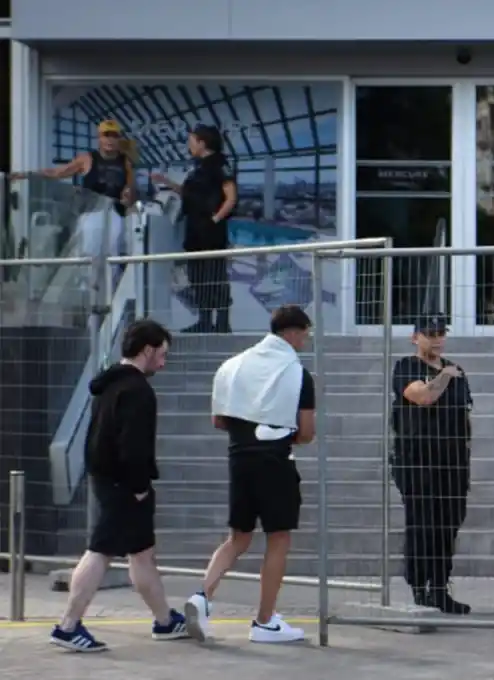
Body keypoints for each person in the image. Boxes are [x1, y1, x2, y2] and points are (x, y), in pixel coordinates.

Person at [49, 319, 189, 652]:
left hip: (107, 478)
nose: (163, 363)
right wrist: (139, 487)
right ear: (147, 350)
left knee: (142, 553)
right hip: (125, 485)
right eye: (162, 355)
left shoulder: (109, 384)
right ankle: (68, 626)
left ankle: (165, 620)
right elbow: (134, 445)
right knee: (100, 551)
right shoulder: (138, 391)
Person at [186, 305, 316, 643]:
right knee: (278, 537)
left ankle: (202, 596)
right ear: (293, 332)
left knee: (238, 538)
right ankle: (264, 621)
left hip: (239, 457)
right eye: (305, 335)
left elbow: (218, 419)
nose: (305, 341)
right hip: (275, 461)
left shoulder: (233, 365)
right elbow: (306, 432)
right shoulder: (297, 373)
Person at [391, 314, 473, 615]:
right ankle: (419, 587)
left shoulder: (457, 369)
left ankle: (440, 588)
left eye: (441, 333)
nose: (437, 339)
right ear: (415, 337)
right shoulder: (407, 367)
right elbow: (423, 396)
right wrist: (445, 376)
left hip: (452, 461)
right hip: (417, 460)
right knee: (422, 523)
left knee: (448, 524)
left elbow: (466, 412)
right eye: (430, 333)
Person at [13, 119, 136, 287]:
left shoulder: (125, 162)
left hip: (115, 214)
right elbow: (57, 172)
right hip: (92, 214)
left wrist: (128, 195)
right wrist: (27, 174)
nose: (110, 140)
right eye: (106, 135)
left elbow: (130, 188)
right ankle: (87, 292)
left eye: (114, 136)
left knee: (113, 254)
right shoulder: (87, 159)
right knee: (89, 254)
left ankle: (111, 292)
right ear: (99, 138)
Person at [152, 124, 237, 334]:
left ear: (202, 142)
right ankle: (205, 320)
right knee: (198, 277)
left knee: (215, 276)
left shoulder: (219, 164)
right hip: (194, 231)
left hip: (211, 232)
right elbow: (189, 194)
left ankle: (222, 323)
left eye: (191, 141)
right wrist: (166, 182)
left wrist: (215, 219)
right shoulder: (198, 168)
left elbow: (231, 198)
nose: (189, 146)